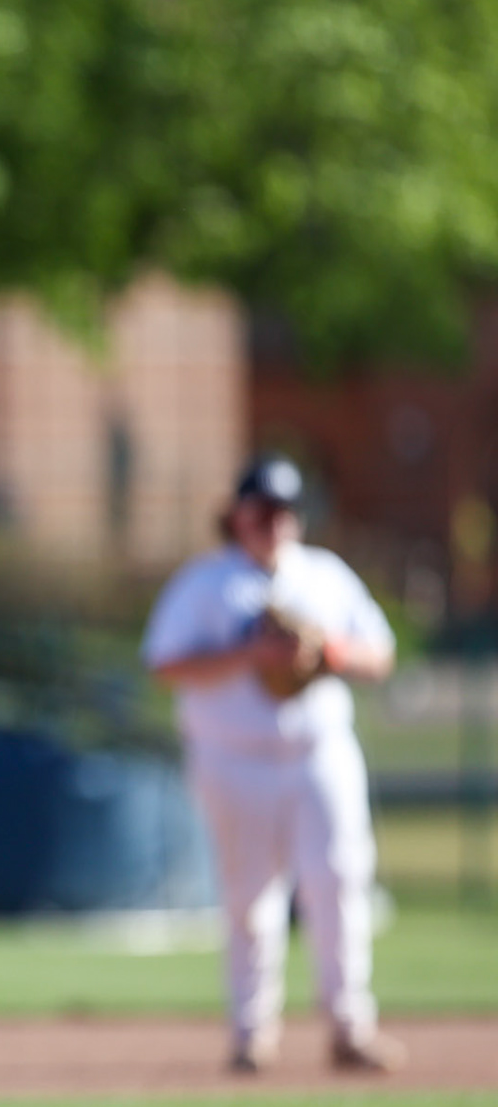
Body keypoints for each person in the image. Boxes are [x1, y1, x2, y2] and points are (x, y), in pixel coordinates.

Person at [142, 454, 403, 1074]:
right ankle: (251, 1035)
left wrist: (329, 653)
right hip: (234, 760)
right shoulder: (205, 583)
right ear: (236, 516)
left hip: (319, 754)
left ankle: (350, 1028)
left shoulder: (325, 575)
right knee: (249, 899)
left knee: (339, 883)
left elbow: (381, 654)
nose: (274, 522)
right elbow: (164, 664)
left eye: (284, 510)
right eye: (262, 510)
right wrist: (248, 655)